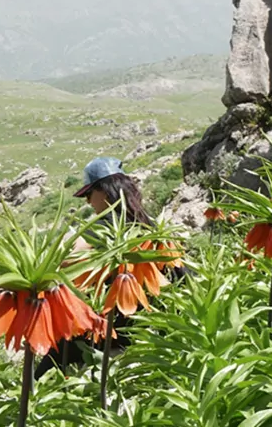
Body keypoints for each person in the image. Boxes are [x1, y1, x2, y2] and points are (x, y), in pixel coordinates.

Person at [34, 156, 174, 380]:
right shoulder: (150, 225)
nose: (88, 202)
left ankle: (33, 397)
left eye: (89, 194)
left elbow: (66, 260)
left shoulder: (103, 226)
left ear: (106, 193)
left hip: (109, 332)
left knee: (49, 365)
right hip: (147, 328)